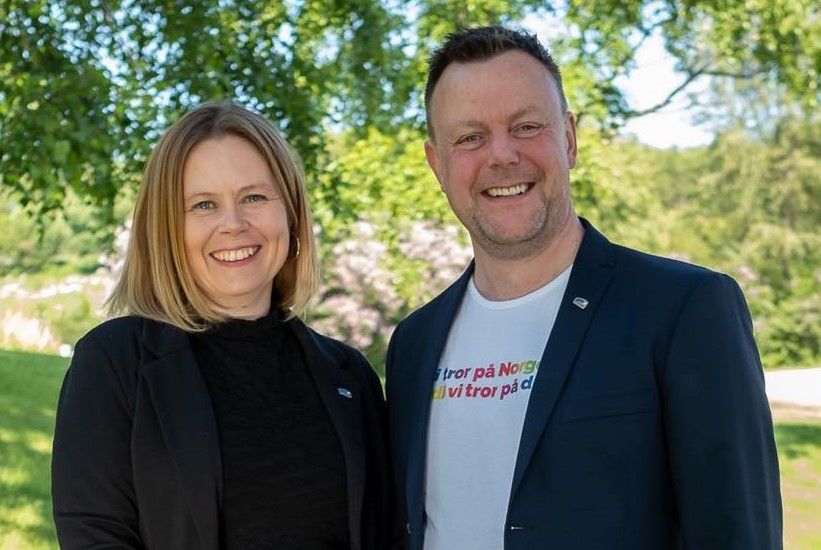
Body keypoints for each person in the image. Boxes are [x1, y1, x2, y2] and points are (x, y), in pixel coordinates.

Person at [385, 26, 782, 549]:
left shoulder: (684, 310)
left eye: (526, 126)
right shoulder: (413, 344)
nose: (502, 155)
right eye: (470, 137)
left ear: (569, 139)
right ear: (437, 165)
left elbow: (738, 534)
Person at [52, 102, 393, 549]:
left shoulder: (349, 376)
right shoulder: (114, 364)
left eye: (254, 197)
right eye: (203, 205)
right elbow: (95, 536)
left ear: (291, 213)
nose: (233, 224)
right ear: (166, 228)